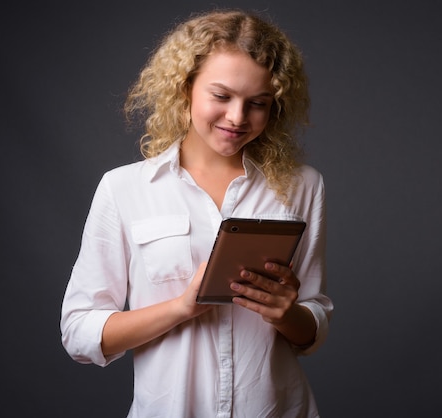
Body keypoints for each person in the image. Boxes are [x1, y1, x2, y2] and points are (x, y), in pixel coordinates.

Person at [60, 8, 333, 418]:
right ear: (185, 88)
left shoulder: (302, 186)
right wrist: (180, 306)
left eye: (257, 103)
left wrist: (286, 312)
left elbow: (312, 324)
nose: (238, 118)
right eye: (221, 96)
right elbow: (79, 333)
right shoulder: (124, 189)